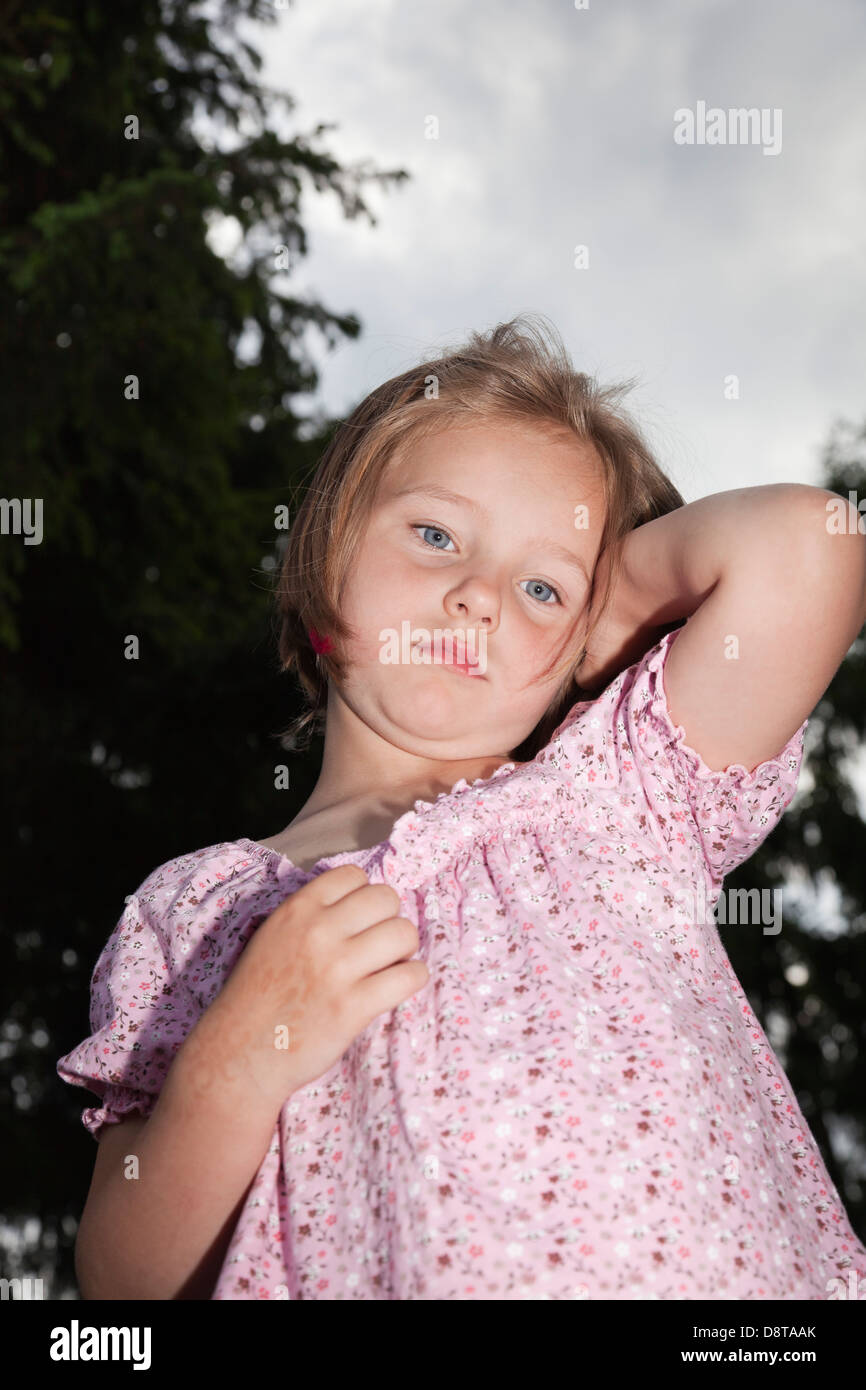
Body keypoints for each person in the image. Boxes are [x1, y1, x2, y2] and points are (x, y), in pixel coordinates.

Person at [57, 314, 866, 1300]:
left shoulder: (616, 792)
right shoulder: (188, 907)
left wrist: (593, 627)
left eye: (536, 584)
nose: (479, 596)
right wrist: (237, 1058)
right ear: (324, 555)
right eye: (436, 534)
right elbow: (125, 1282)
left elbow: (815, 548)